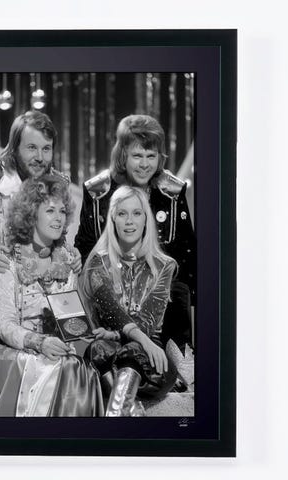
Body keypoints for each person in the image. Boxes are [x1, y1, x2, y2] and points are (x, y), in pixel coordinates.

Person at [0, 175, 103, 417]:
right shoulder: (7, 262)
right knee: (60, 369)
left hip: (56, 354)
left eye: (62, 211)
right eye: (50, 210)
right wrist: (38, 342)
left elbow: (70, 322)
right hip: (16, 353)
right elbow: (5, 325)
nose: (59, 217)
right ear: (30, 215)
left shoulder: (68, 262)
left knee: (80, 369)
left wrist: (75, 340)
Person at [0, 111, 80, 383]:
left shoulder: (58, 183)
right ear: (14, 147)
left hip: (32, 277)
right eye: (31, 147)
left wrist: (70, 253)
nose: (40, 157)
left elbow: (58, 233)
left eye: (46, 149)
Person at [74, 114, 195, 350]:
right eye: (137, 156)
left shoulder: (172, 192)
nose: (144, 164)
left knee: (179, 291)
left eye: (151, 156)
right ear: (122, 155)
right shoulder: (98, 192)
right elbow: (86, 249)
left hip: (160, 295)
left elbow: (185, 255)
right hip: (109, 292)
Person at [80, 186, 177, 416]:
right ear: (113, 219)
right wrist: (120, 338)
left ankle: (118, 415)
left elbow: (148, 320)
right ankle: (123, 414)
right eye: (122, 214)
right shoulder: (98, 263)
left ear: (146, 219)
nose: (130, 221)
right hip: (109, 353)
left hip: (146, 357)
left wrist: (120, 335)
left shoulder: (164, 265)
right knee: (98, 350)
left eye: (137, 213)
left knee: (142, 356)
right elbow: (113, 311)